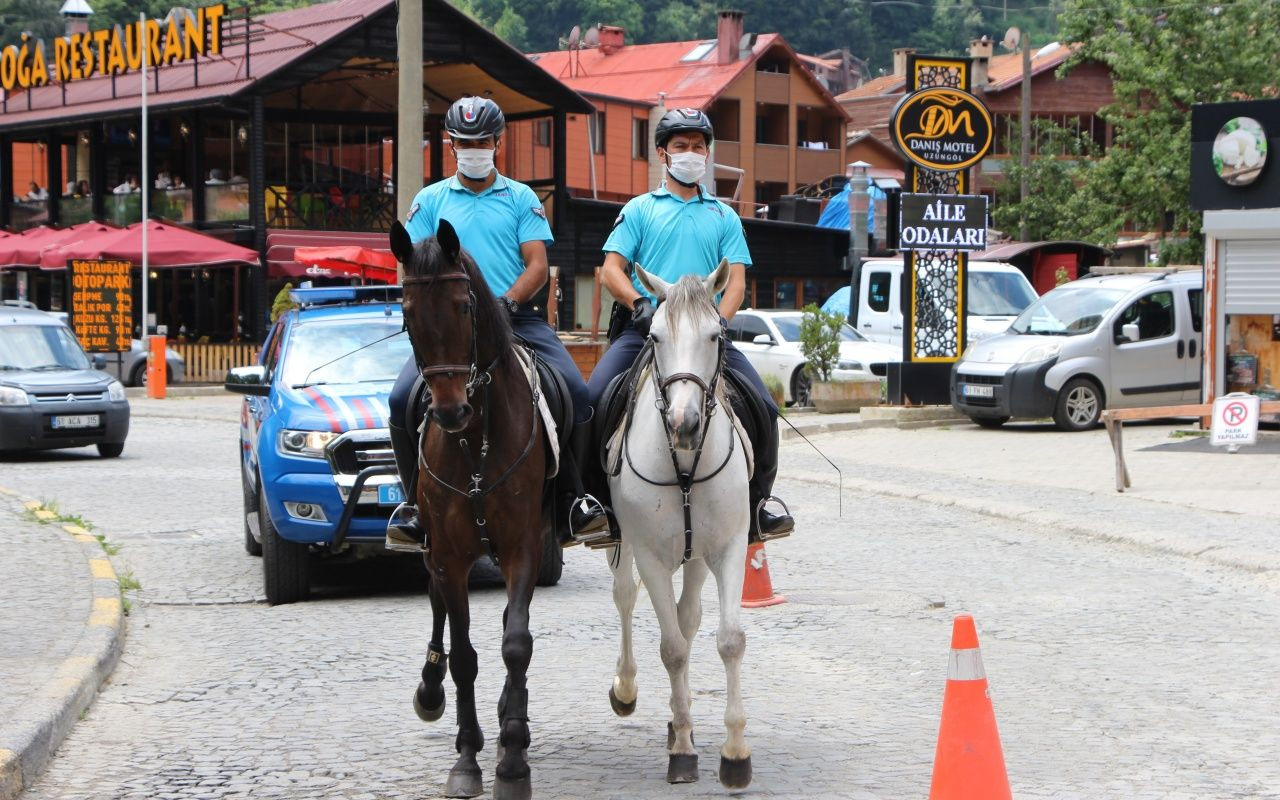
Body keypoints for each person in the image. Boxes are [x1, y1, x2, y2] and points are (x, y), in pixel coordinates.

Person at [385, 96, 609, 552]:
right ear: (451, 145)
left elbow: (537, 265)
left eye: (482, 141)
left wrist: (506, 302)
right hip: (450, 333)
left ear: (498, 143)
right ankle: (413, 507)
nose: (474, 149)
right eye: (465, 142)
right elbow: (412, 266)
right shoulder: (429, 200)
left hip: (515, 319)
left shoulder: (521, 198)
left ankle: (574, 499)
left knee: (577, 392)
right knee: (399, 399)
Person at [586, 107, 794, 542]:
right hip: (647, 330)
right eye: (681, 145)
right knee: (591, 400)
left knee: (764, 405)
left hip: (704, 334)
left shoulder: (724, 216)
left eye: (699, 146)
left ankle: (759, 505)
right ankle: (595, 504)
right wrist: (639, 304)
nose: (691, 153)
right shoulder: (639, 210)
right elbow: (611, 270)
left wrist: (719, 322)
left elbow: (736, 282)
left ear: (707, 154)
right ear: (663, 154)